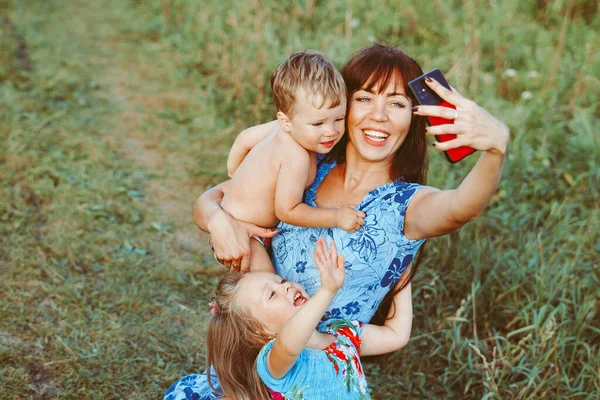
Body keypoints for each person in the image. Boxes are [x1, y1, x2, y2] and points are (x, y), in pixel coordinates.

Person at [168, 43, 509, 399]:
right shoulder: (308, 163)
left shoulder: (408, 206)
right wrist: (219, 221)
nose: (378, 116)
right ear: (342, 104)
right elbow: (215, 198)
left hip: (316, 379)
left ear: (413, 117)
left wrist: (495, 150)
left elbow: (462, 207)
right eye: (364, 98)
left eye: (396, 103)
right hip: (254, 367)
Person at [218, 50, 365, 273]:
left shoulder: (282, 129)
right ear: (286, 121)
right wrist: (336, 216)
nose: (331, 131)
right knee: (267, 286)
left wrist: (234, 172)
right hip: (246, 233)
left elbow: (243, 138)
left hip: (243, 220)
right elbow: (288, 211)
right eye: (317, 124)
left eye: (339, 119)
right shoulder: (295, 156)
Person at [209, 238, 411, 399]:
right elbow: (289, 342)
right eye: (271, 294)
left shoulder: (341, 332)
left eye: (280, 281)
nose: (286, 286)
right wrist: (327, 290)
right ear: (260, 333)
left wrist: (403, 273)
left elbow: (396, 335)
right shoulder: (274, 361)